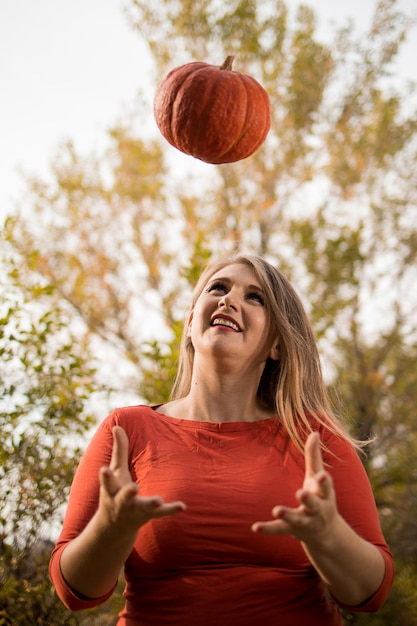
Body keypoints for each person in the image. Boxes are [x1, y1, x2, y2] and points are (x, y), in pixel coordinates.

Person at [49, 253, 394, 626]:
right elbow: (75, 592)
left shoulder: (315, 438)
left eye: (255, 297)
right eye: (218, 288)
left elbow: (368, 595)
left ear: (277, 344)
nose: (229, 300)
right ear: (191, 322)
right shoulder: (125, 430)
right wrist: (111, 527)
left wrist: (328, 535)